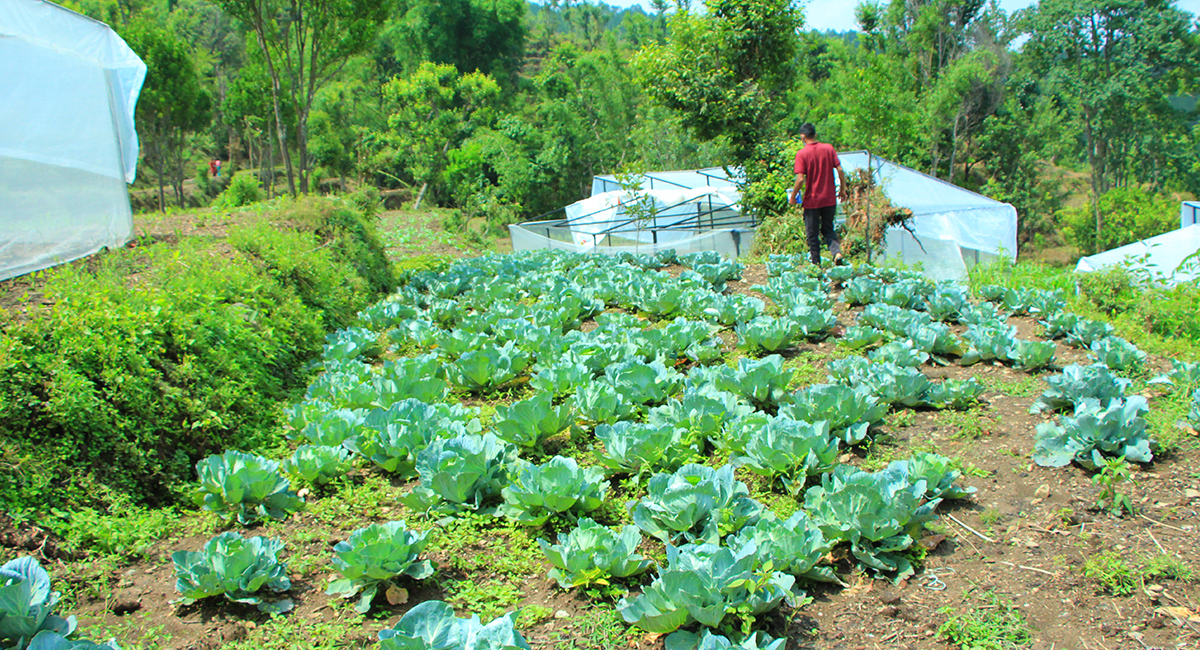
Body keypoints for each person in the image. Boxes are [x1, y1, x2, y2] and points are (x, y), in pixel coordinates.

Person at [789, 123, 848, 265]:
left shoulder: (802, 154)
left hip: (812, 201)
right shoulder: (828, 149)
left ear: (802, 137)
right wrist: (843, 189)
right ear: (815, 135)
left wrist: (792, 197)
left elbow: (801, 179)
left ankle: (816, 265)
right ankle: (836, 252)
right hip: (829, 198)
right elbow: (840, 170)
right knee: (828, 229)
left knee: (812, 235)